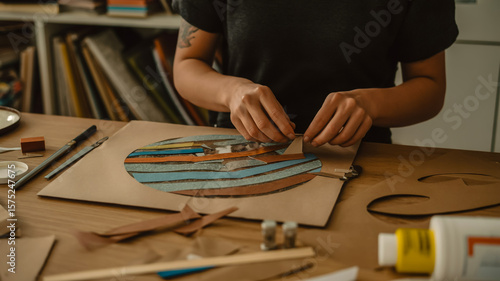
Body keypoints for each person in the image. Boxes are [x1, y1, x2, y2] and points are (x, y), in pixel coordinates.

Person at [171, 0, 458, 147]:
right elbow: (187, 65)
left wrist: (371, 104)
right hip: (242, 149)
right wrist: (231, 93)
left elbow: (430, 87)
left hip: (359, 157)